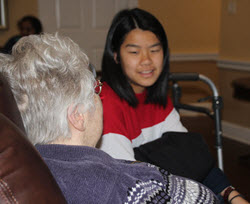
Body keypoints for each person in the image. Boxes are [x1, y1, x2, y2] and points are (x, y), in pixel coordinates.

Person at [0, 33, 221, 204]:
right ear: (77, 116)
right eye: (96, 89)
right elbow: (205, 198)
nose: (101, 96)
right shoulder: (120, 186)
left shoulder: (29, 170)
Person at [99, 8, 249, 204]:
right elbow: (131, 185)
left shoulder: (157, 98)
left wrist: (232, 195)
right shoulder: (106, 104)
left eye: (154, 50)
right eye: (134, 52)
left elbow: (194, 161)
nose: (147, 61)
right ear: (116, 56)